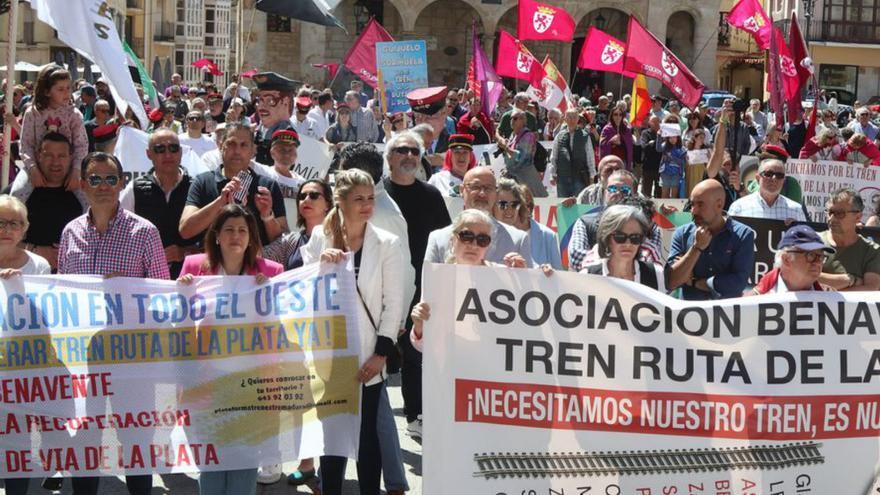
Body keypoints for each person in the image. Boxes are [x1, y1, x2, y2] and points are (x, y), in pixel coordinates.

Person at [58, 153, 168, 495]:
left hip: (131, 352)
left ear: (122, 184)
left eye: (110, 179)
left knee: (135, 435)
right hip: (83, 353)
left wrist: (129, 290)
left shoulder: (145, 232)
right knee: (85, 432)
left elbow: (163, 296)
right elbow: (61, 292)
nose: (103, 186)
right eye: (95, 179)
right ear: (82, 184)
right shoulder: (70, 232)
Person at [301, 169, 407, 495]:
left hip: (368, 359)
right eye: (358, 199)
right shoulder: (321, 236)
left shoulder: (386, 242)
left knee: (367, 439)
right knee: (332, 439)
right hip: (330, 357)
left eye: (370, 198)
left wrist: (381, 355)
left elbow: (394, 302)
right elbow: (306, 290)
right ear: (341, 201)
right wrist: (321, 264)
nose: (366, 205)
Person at [178, 204, 283, 495]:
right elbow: (179, 326)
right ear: (216, 236)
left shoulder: (271, 272)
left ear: (251, 237)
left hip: (251, 384)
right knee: (211, 464)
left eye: (242, 230)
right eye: (229, 229)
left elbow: (283, 328)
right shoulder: (194, 269)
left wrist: (268, 298)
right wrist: (182, 295)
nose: (236, 236)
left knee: (244, 465)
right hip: (206, 381)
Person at [409, 208, 531, 351]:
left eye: (482, 240)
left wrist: (530, 280)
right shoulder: (439, 278)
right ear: (452, 240)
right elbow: (423, 347)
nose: (473, 245)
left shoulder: (504, 276)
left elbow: (525, 326)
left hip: (492, 365)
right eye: (466, 236)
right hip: (451, 366)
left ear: (488, 246)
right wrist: (419, 328)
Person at [180, 123, 287, 246]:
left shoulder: (268, 187)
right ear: (221, 146)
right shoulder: (203, 182)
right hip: (213, 263)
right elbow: (185, 230)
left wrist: (267, 217)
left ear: (253, 150)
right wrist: (220, 202)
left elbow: (282, 243)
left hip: (255, 263)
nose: (237, 151)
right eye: (231, 144)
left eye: (244, 145)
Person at [119, 129, 199, 278]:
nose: (168, 154)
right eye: (160, 149)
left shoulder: (197, 188)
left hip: (190, 279)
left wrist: (184, 252)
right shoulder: (135, 189)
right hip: (147, 279)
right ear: (149, 154)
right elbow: (118, 231)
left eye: (173, 148)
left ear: (181, 152)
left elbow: (212, 241)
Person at [666, 179, 755, 300]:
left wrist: (694, 282)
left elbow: (738, 284)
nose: (693, 210)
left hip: (725, 314)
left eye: (700, 204)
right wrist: (696, 248)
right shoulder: (682, 234)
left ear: (719, 205)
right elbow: (671, 281)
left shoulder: (743, 234)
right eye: (692, 204)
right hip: (689, 313)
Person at [9, 132, 86, 271]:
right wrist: (34, 250)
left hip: (73, 283)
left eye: (61, 156)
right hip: (28, 279)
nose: (55, 162)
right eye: (48, 155)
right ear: (38, 156)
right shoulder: (15, 196)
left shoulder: (85, 196)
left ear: (71, 158)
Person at [425, 167, 531, 265]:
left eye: (488, 188)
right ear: (462, 190)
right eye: (475, 187)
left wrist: (544, 272)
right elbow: (429, 280)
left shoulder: (518, 240)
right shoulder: (438, 239)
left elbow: (530, 282)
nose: (482, 194)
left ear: (496, 193)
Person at [19, 65, 88, 196]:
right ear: (47, 91)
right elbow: (26, 144)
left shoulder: (74, 115)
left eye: (68, 88)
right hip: (37, 167)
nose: (67, 93)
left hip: (68, 169)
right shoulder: (33, 113)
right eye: (60, 89)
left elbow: (81, 146)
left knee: (87, 198)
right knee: (17, 194)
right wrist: (33, 168)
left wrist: (76, 171)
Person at [567, 169, 639, 272]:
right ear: (605, 193)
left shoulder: (648, 226)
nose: (618, 193)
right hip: (595, 284)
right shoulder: (585, 222)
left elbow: (650, 260)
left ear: (635, 194)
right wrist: (612, 267)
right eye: (612, 189)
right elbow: (576, 256)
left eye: (625, 190)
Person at [582, 205, 666, 291]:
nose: (628, 244)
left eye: (635, 237)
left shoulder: (656, 275)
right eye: (620, 237)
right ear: (606, 238)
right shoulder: (587, 276)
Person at [817, 188, 880, 291]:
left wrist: (826, 291)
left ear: (858, 217)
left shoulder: (872, 251)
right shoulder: (813, 242)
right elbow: (802, 276)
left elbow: (871, 289)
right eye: (830, 212)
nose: (831, 219)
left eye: (840, 213)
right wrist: (850, 280)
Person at [748, 224, 834, 294]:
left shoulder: (831, 297)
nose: (817, 262)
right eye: (811, 255)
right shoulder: (754, 301)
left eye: (821, 257)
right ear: (786, 259)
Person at [728, 159, 807, 222]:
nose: (774, 178)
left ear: (783, 180)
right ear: (758, 178)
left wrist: (796, 229)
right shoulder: (738, 207)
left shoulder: (796, 210)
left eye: (779, 175)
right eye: (768, 174)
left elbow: (806, 240)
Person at [496, 108, 548, 197]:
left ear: (523, 121)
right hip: (513, 177)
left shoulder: (528, 136)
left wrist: (506, 147)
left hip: (526, 178)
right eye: (511, 118)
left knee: (530, 204)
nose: (512, 121)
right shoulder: (513, 135)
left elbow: (521, 157)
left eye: (515, 118)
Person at [252, 72, 299, 164]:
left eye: (270, 100)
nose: (261, 107)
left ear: (285, 102)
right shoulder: (259, 130)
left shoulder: (286, 132)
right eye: (260, 100)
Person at [551, 107, 595, 198]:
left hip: (579, 177)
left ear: (578, 119)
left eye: (574, 117)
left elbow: (590, 157)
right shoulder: (559, 136)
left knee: (579, 204)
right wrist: (553, 173)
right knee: (563, 204)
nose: (572, 119)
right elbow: (554, 156)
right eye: (569, 117)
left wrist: (592, 176)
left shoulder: (585, 136)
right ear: (565, 118)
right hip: (562, 177)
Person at [516, 182, 562, 269]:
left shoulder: (548, 235)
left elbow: (558, 272)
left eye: (524, 206)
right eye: (515, 205)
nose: (519, 210)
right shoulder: (502, 233)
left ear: (530, 207)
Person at [656, 120, 686, 199]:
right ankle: (663, 209)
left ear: (678, 137)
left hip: (676, 174)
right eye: (670, 137)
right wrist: (659, 136)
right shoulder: (665, 146)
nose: (672, 139)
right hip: (665, 172)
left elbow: (681, 162)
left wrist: (672, 158)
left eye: (674, 137)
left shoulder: (681, 149)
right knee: (664, 193)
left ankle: (673, 209)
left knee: (674, 194)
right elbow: (658, 149)